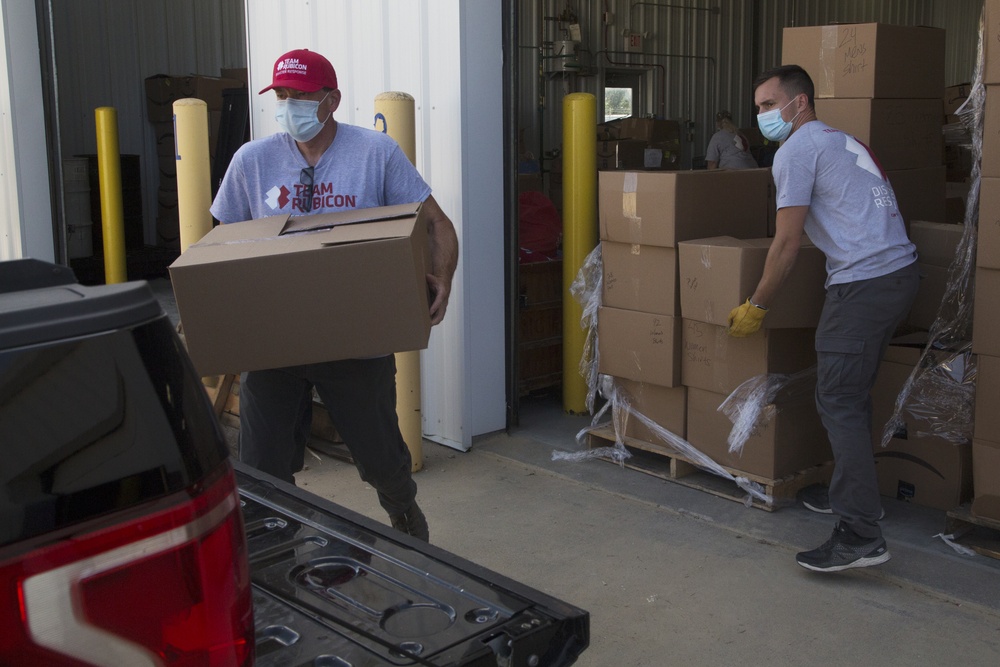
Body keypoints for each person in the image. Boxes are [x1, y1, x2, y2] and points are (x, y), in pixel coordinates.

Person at [210, 48, 459, 543]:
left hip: (355, 336)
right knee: (262, 464)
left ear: (331, 100)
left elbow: (436, 224)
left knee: (380, 454)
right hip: (274, 341)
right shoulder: (251, 162)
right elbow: (218, 245)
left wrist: (440, 277)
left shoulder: (375, 153)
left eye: (299, 97)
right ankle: (270, 547)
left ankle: (403, 509)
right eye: (281, 96)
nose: (287, 106)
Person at [726, 65, 918, 572]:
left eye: (769, 105)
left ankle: (859, 534)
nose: (762, 116)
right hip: (898, 275)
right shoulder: (838, 140)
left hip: (863, 285)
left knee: (837, 399)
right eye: (759, 108)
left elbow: (788, 242)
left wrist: (757, 304)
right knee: (850, 398)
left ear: (800, 102)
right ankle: (854, 498)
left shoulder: (796, 150)